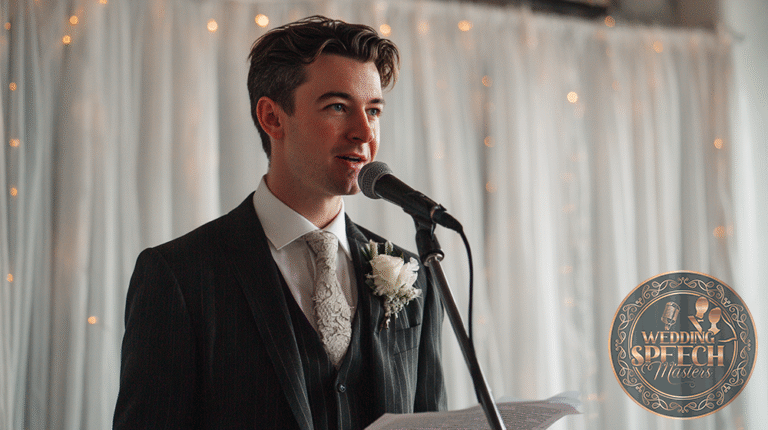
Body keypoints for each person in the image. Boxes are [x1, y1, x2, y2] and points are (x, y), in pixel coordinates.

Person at [113, 15, 446, 430]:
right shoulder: (179, 276)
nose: (364, 132)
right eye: (338, 107)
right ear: (272, 118)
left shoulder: (416, 277)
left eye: (374, 110)